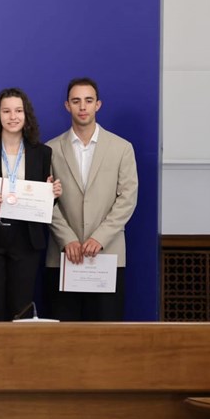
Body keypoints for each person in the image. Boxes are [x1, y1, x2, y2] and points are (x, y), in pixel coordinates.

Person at [45, 78, 138, 321]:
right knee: (65, 334)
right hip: (64, 257)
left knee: (105, 333)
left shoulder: (121, 148)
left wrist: (100, 237)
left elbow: (127, 198)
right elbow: (46, 201)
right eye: (76, 101)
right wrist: (67, 239)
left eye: (88, 100)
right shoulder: (50, 149)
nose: (82, 107)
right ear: (67, 106)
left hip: (107, 255)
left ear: (98, 104)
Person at [0, 88, 62, 321]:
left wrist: (52, 195)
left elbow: (44, 204)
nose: (13, 117)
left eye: (18, 111)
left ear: (26, 115)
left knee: (21, 307)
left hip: (26, 238)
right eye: (6, 111)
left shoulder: (42, 153)